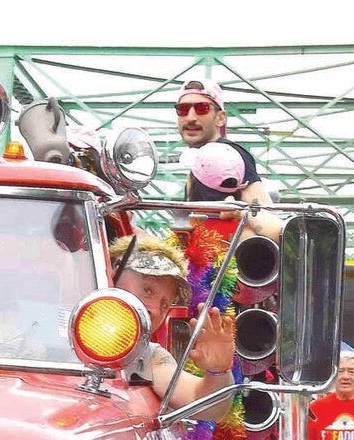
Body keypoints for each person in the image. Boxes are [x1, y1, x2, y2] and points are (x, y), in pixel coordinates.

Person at [111, 234, 235, 412]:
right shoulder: (57, 322)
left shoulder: (144, 357)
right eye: (148, 290)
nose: (153, 310)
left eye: (164, 305)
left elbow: (206, 405)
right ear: (113, 276)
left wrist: (218, 371)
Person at [176, 79, 280, 237]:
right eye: (182, 109)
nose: (191, 117)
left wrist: (238, 211)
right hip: (208, 256)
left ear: (220, 118)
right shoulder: (199, 162)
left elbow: (270, 226)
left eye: (201, 108)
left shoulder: (230, 156)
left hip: (228, 259)